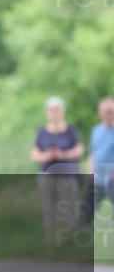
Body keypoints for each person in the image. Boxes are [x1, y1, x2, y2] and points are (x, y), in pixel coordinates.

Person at [31, 96, 83, 247]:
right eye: (52, 110)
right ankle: (52, 245)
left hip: (67, 175)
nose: (55, 113)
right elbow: (34, 153)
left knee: (70, 210)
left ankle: (71, 242)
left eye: (58, 109)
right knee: (49, 210)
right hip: (47, 175)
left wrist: (63, 155)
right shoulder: (42, 132)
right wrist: (46, 156)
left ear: (63, 111)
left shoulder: (71, 131)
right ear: (47, 112)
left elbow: (79, 150)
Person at [85, 97, 114, 224]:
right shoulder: (96, 130)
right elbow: (93, 152)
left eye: (111, 111)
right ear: (100, 112)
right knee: (88, 208)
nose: (108, 113)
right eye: (106, 111)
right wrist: (89, 166)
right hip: (97, 178)